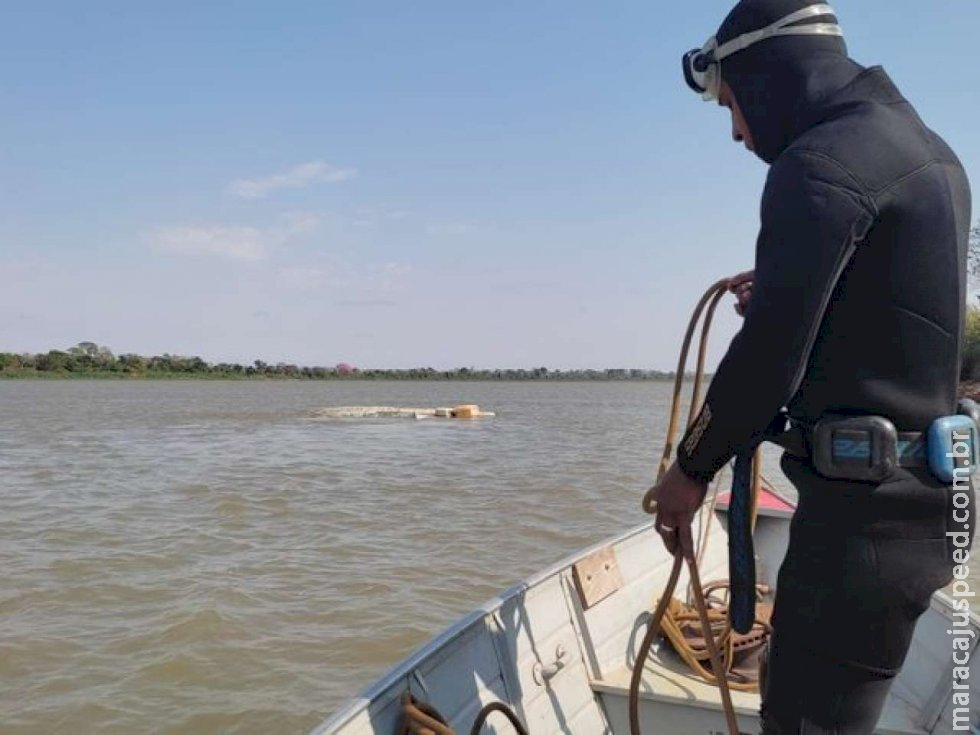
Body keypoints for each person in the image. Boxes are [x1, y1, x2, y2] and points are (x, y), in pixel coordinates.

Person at [648, 0, 973, 731]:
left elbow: (768, 361)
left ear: (769, 74)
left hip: (866, 527)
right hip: (928, 505)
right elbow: (896, 329)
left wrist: (689, 469)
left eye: (731, 104)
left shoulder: (818, 164)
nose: (735, 132)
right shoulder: (931, 150)